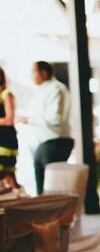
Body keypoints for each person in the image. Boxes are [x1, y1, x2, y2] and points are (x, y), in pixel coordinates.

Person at [17, 62, 73, 195]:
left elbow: (56, 118)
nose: (31, 76)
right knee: (42, 188)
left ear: (43, 73)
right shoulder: (43, 90)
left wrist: (29, 119)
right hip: (45, 143)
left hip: (54, 142)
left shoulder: (56, 89)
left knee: (51, 189)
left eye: (33, 72)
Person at [0, 67, 19, 188]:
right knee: (7, 176)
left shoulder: (6, 94)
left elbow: (9, 120)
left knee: (7, 174)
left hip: (5, 139)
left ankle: (19, 196)